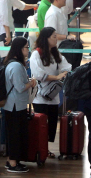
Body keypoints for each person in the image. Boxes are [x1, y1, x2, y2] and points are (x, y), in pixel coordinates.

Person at [30, 27, 70, 156]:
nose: (56, 38)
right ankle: (39, 150)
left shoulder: (56, 53)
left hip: (53, 95)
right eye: (53, 36)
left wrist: (63, 74)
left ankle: (45, 149)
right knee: (41, 124)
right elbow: (37, 74)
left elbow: (67, 67)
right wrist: (56, 77)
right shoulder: (36, 54)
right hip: (40, 95)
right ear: (46, 38)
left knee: (51, 125)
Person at [2, 37, 34, 173]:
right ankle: (13, 164)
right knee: (15, 135)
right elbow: (20, 87)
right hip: (14, 105)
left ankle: (12, 160)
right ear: (20, 49)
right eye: (26, 47)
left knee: (15, 134)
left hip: (15, 104)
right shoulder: (15, 66)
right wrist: (31, 83)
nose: (28, 50)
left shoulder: (14, 63)